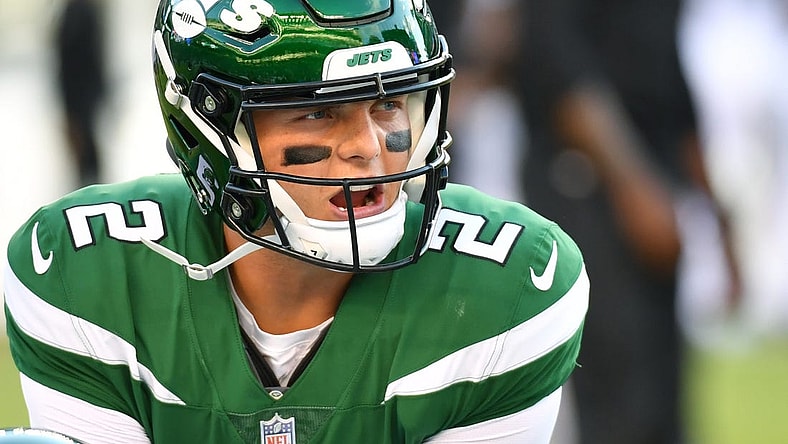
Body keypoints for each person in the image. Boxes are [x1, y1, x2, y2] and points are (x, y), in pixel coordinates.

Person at [3, 1, 588, 443]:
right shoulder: (83, 274)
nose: (369, 147)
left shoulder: (508, 290)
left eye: (388, 102)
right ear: (209, 131)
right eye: (317, 111)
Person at [520, 0, 699, 443]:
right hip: (584, 176)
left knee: (663, 394)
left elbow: (669, 74)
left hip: (657, 178)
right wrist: (633, 185)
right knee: (622, 396)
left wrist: (720, 217)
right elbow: (558, 62)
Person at [54, 0, 106, 186]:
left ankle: (89, 182)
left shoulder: (79, 11)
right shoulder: (79, 9)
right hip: (80, 90)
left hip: (80, 91)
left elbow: (78, 57)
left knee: (83, 137)